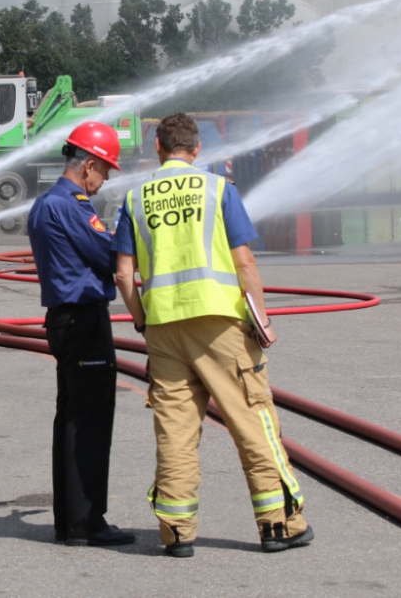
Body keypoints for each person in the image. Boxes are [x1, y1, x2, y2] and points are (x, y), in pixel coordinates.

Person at [114, 112, 313, 557]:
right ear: (197, 149)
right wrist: (261, 318)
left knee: (175, 432)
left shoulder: (134, 198)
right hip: (221, 322)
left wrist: (143, 320)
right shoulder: (218, 189)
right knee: (252, 420)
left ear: (158, 149)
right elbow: (245, 263)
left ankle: (177, 533)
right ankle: (278, 525)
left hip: (164, 328)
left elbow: (124, 276)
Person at [25, 121, 135, 547]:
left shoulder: (46, 203)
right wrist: (132, 225)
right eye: (104, 171)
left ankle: (71, 521)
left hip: (65, 319)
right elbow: (108, 256)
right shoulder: (71, 205)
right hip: (83, 321)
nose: (104, 180)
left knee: (72, 419)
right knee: (88, 422)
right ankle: (86, 523)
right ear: (88, 165)